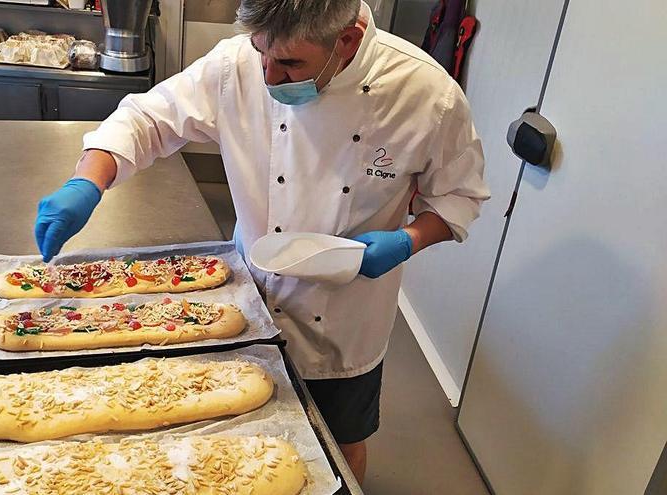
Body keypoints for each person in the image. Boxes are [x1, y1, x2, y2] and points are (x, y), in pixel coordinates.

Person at [34, 0, 489, 482]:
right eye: (262, 55)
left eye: (291, 64)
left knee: (342, 444)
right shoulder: (236, 64)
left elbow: (459, 197)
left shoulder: (425, 92)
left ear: (348, 41)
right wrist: (87, 181)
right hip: (249, 293)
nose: (269, 77)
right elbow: (149, 119)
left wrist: (407, 240)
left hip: (346, 316)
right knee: (227, 444)